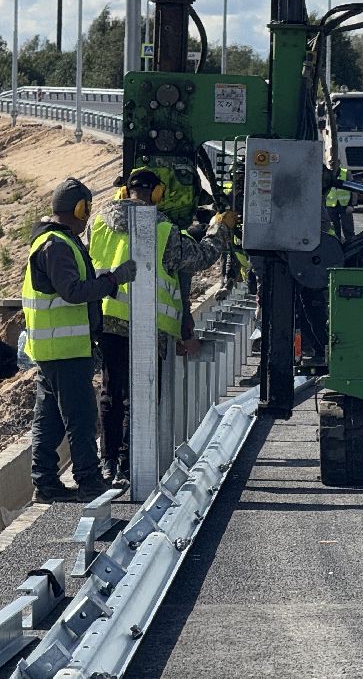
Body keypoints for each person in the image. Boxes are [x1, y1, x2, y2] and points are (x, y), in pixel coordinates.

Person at [87, 166, 238, 485]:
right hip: (147, 324)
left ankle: (107, 461)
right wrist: (219, 228)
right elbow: (200, 257)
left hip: (109, 318)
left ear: (126, 191)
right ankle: (130, 465)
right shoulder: (163, 228)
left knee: (110, 390)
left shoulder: (99, 221)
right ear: (157, 194)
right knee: (139, 396)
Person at [22, 177, 136, 502]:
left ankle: (45, 484)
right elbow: (72, 292)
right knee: (81, 417)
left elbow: (73, 285)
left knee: (50, 419)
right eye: (87, 208)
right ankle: (88, 481)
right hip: (66, 349)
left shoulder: (53, 241)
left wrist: (102, 278)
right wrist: (114, 279)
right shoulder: (57, 244)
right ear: (80, 208)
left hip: (54, 348)